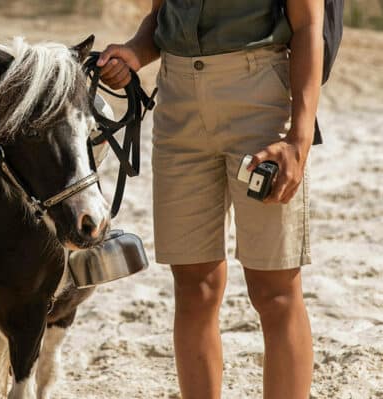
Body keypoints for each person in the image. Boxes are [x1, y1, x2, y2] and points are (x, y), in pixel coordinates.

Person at [98, 1, 322, 397]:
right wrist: (136, 51)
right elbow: (161, 16)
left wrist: (299, 141)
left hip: (260, 104)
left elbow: (308, 25)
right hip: (177, 104)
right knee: (193, 286)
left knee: (275, 288)